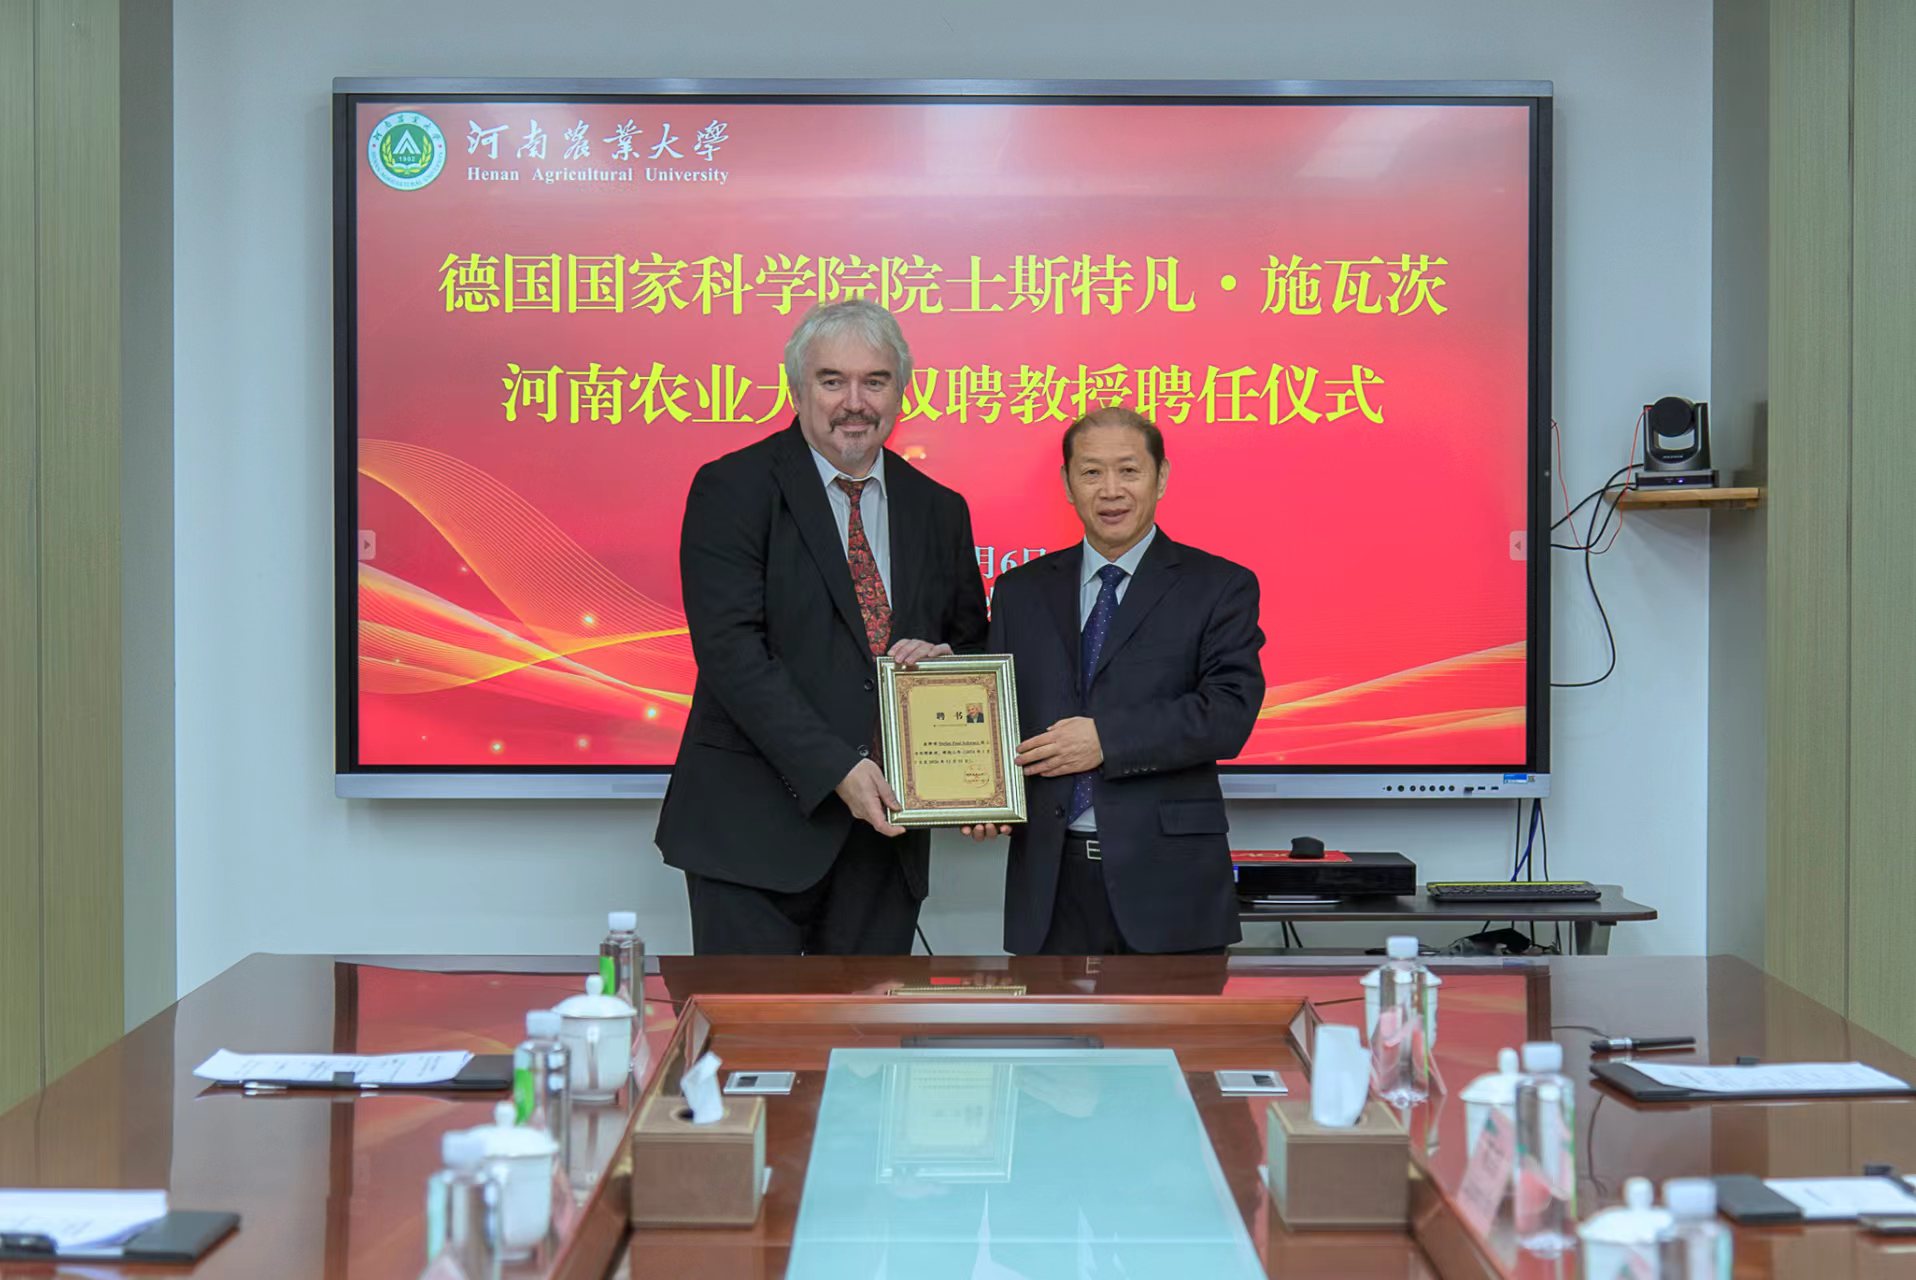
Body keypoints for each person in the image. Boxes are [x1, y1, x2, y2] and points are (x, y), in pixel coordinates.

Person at [658, 300, 988, 954]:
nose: (854, 403)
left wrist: (945, 667)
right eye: (832, 380)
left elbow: (971, 642)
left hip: (884, 840)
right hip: (752, 834)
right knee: (751, 1021)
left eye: (875, 381)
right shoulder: (732, 488)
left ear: (901, 391)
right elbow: (731, 652)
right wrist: (837, 767)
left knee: (870, 1023)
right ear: (797, 389)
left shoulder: (939, 508)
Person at [964, 406, 1265, 955]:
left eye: (1129, 470)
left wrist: (1106, 739)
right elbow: (997, 712)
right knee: (1050, 1018)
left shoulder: (1219, 586)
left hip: (1170, 882)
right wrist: (982, 795)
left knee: (1177, 1018)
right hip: (1050, 884)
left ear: (1160, 478)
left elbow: (1228, 714)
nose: (1110, 490)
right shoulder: (1019, 591)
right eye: (1091, 472)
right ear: (1067, 484)